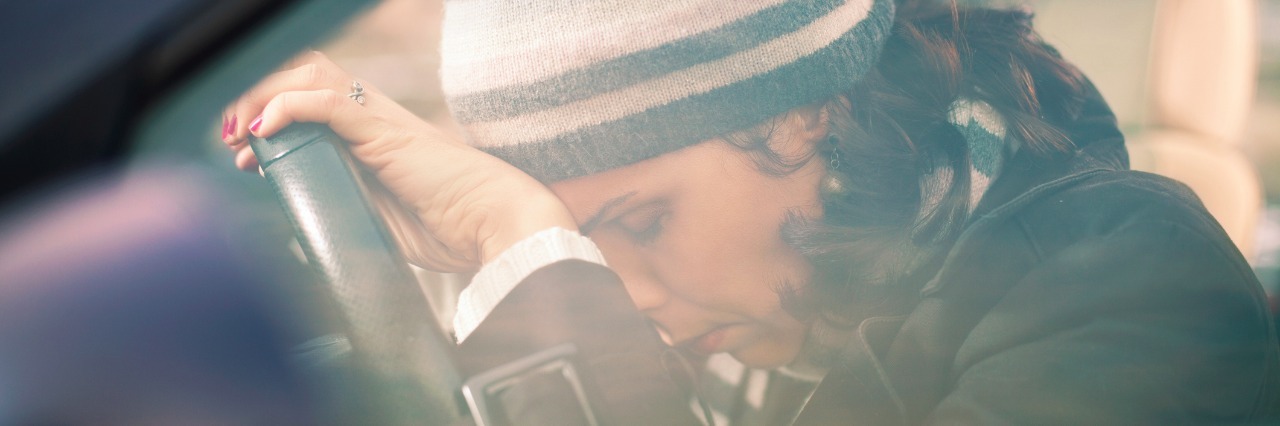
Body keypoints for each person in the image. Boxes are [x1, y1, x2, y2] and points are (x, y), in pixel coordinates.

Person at [222, 0, 1280, 423]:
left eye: (635, 224)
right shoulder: (752, 349)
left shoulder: (1132, 277)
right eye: (583, 243)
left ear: (811, 110)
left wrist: (527, 256)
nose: (622, 302)